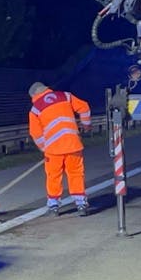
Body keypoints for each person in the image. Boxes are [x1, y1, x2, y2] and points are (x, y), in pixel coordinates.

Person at [28, 81, 93, 216]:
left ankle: (54, 206)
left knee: (53, 176)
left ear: (34, 95)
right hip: (73, 144)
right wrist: (86, 125)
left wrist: (43, 148)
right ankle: (81, 204)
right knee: (76, 173)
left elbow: (36, 133)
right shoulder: (66, 96)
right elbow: (84, 107)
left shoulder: (35, 109)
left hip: (53, 149)